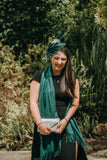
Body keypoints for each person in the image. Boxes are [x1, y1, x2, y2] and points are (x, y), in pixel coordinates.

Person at [30, 31, 88, 160]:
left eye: (63, 59)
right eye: (56, 58)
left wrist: (65, 120)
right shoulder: (39, 76)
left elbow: (75, 101)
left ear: (67, 60)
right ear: (51, 57)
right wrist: (39, 124)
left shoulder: (71, 77)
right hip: (44, 126)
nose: (59, 62)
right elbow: (33, 102)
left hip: (65, 126)